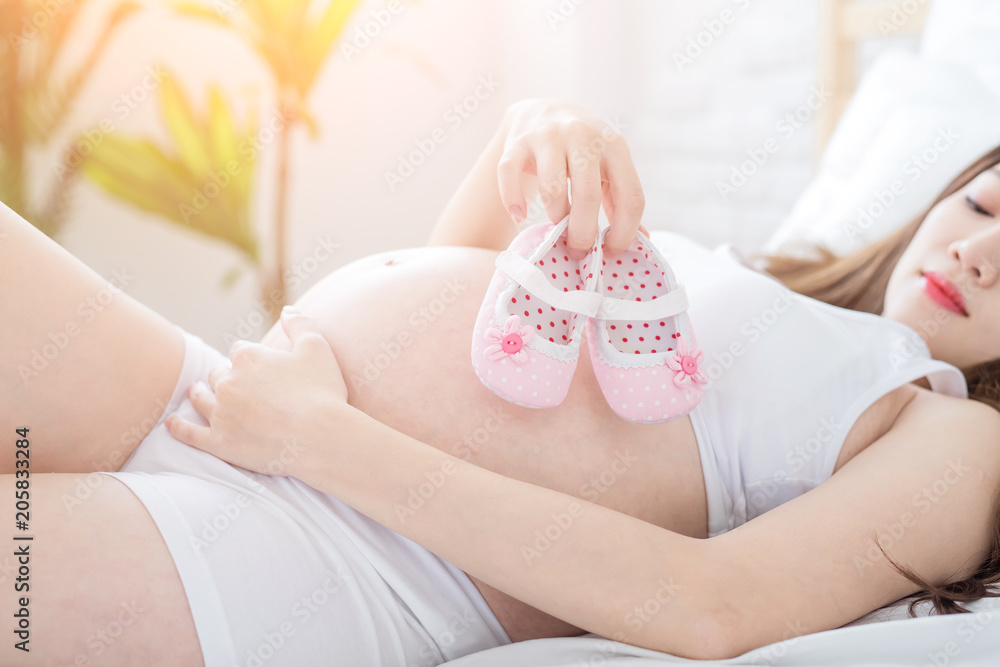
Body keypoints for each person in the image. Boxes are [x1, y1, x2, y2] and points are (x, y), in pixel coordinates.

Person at [1, 98, 998, 665]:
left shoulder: (957, 437)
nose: (979, 256)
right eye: (984, 206)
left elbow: (714, 607)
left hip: (324, 556)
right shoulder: (761, 276)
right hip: (228, 401)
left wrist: (322, 439)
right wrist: (524, 148)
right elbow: (489, 338)